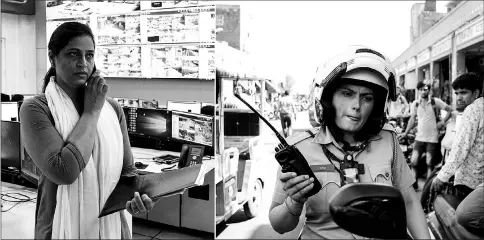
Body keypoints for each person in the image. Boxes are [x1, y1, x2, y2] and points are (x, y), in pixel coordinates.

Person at [268, 46, 430, 239]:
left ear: (376, 107)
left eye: (367, 98)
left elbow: (410, 201)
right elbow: (279, 225)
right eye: (347, 93)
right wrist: (294, 202)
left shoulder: (388, 140)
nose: (356, 106)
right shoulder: (299, 149)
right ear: (328, 100)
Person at [19, 22, 155, 239]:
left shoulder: (112, 108)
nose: (83, 63)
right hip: (58, 225)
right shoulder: (35, 109)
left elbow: (128, 175)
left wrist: (136, 199)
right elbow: (64, 171)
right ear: (53, 57)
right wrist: (91, 112)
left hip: (111, 227)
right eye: (73, 54)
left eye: (89, 55)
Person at [431, 72, 484, 199]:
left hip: (469, 180)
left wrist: (442, 176)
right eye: (457, 93)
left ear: (475, 93)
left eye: (463, 92)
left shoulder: (472, 110)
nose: (459, 97)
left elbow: (461, 147)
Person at [400, 82, 452, 182]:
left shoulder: (435, 102)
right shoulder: (415, 104)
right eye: (421, 89)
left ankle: (427, 186)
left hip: (432, 138)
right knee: (414, 161)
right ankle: (413, 182)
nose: (424, 91)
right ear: (418, 91)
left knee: (429, 163)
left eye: (426, 89)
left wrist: (442, 122)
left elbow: (449, 110)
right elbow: (412, 120)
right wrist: (405, 133)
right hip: (419, 138)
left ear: (429, 90)